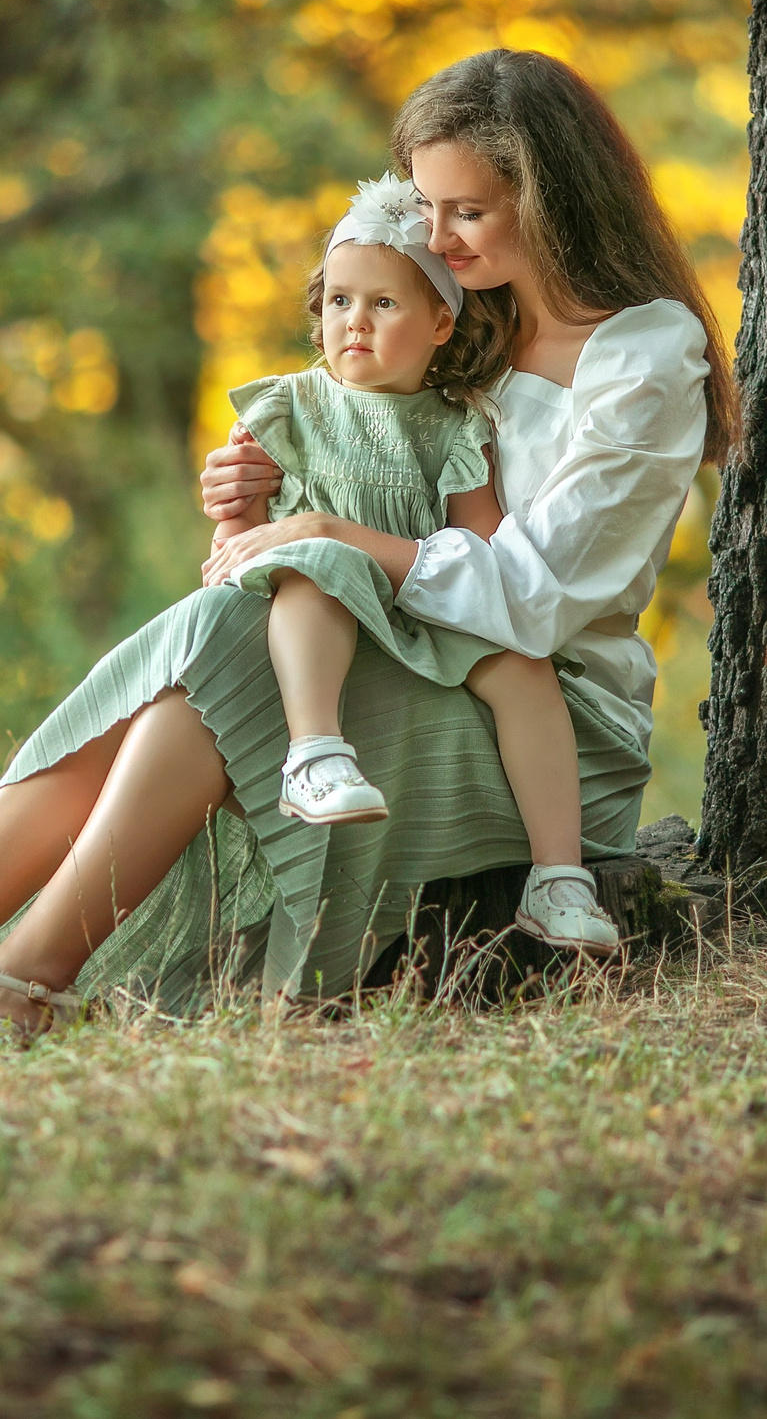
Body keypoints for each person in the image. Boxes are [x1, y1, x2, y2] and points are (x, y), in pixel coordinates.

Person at [0, 47, 737, 1049]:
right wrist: (263, 493)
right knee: (219, 635)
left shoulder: (641, 359)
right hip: (399, 649)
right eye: (426, 207)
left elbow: (536, 599)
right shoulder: (461, 312)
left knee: (218, 644)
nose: (436, 238)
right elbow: (365, 461)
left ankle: (0, 982)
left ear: (554, 199)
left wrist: (328, 533)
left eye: (465, 212)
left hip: (542, 713)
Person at [226, 173, 624, 955]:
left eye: (384, 304)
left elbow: (480, 546)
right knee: (316, 570)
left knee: (523, 667)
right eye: (339, 302)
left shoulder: (455, 426)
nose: (355, 324)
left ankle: (559, 877)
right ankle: (315, 752)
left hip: (415, 606)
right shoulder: (290, 408)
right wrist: (232, 518)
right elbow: (241, 528)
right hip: (313, 606)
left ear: (442, 322)